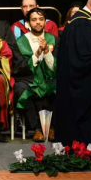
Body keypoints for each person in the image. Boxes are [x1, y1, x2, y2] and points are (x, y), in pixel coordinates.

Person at [13, 8, 58, 142]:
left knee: (60, 87)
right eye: (34, 20)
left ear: (45, 22)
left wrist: (47, 52)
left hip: (49, 78)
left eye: (41, 19)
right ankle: (36, 129)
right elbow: (18, 67)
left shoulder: (54, 40)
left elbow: (58, 66)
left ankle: (53, 127)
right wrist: (37, 54)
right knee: (20, 89)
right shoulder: (20, 42)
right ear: (28, 23)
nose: (38, 22)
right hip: (29, 79)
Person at [55, 0, 91, 145]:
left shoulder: (78, 21)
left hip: (71, 79)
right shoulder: (83, 23)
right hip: (81, 82)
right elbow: (86, 56)